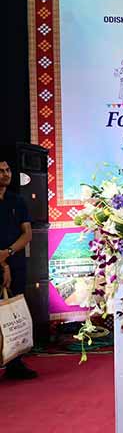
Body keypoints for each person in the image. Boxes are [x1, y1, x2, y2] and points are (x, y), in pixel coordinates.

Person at [0, 158, 37, 380]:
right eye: (0, 171)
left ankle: (15, 363)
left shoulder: (17, 200)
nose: (6, 174)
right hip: (2, 263)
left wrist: (8, 253)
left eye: (7, 170)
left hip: (15, 262)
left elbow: (27, 233)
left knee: (15, 312)